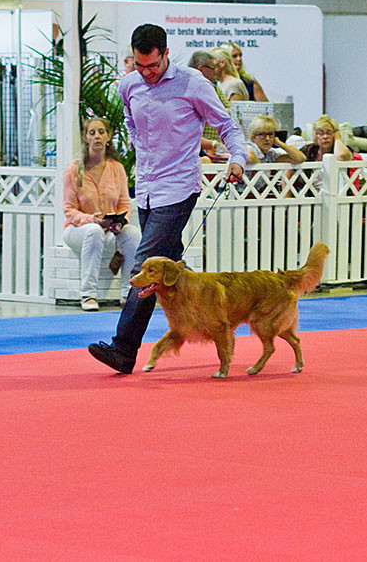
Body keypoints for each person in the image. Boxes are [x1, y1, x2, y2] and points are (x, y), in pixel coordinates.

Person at [87, 23, 247, 374]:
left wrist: (238, 158)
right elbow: (130, 122)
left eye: (153, 66)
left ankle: (123, 348)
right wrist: (138, 149)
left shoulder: (193, 83)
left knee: (146, 266)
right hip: (144, 188)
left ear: (166, 54)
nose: (146, 73)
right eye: (139, 66)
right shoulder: (128, 85)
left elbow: (227, 126)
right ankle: (209, 318)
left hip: (178, 187)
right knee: (173, 268)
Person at [62, 117, 142, 311]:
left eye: (101, 132)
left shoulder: (117, 168)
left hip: (110, 229)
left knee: (133, 234)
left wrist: (119, 221)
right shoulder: (73, 169)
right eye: (92, 133)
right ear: (85, 138)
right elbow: (69, 210)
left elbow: (124, 203)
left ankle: (128, 293)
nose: (97, 136)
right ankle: (88, 293)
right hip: (78, 230)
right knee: (93, 231)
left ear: (109, 137)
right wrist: (92, 220)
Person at [300, 115, 359, 191]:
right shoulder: (308, 150)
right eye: (320, 133)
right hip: (311, 197)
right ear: (315, 136)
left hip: (337, 196)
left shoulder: (343, 149)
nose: (325, 136)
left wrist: (337, 138)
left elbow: (341, 156)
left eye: (329, 133)